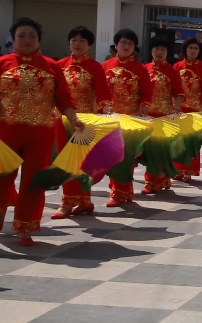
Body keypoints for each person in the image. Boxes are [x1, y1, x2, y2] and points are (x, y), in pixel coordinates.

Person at [0, 17, 82, 246]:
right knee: (2, 178)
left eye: (32, 36)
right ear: (13, 40)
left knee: (34, 181)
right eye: (21, 36)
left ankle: (25, 225)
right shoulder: (0, 64)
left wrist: (73, 119)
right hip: (6, 131)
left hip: (41, 133)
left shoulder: (52, 67)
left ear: (39, 40)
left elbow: (63, 98)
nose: (27, 40)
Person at [52, 25, 113, 220]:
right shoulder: (59, 65)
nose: (77, 44)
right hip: (61, 120)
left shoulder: (95, 67)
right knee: (65, 160)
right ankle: (68, 202)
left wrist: (106, 107)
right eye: (74, 40)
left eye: (82, 41)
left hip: (85, 121)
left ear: (89, 45)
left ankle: (84, 200)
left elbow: (103, 92)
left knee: (83, 162)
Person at [102, 30, 153, 207]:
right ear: (116, 45)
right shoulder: (105, 66)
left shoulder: (140, 68)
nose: (126, 46)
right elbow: (99, 91)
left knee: (126, 156)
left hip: (131, 118)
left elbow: (147, 92)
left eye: (130, 44)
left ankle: (121, 191)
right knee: (111, 155)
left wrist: (144, 105)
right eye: (123, 42)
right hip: (110, 118)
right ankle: (117, 189)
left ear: (134, 48)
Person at [140, 40, 183, 195]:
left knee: (160, 150)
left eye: (163, 49)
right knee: (148, 151)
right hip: (147, 115)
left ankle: (155, 182)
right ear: (151, 51)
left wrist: (177, 106)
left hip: (164, 115)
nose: (159, 52)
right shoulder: (144, 69)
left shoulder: (172, 71)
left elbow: (179, 92)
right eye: (156, 48)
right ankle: (159, 179)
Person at [174, 37, 202, 181]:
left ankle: (189, 171)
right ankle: (177, 170)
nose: (193, 51)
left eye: (196, 49)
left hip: (195, 110)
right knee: (177, 141)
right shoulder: (177, 66)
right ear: (185, 49)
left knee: (192, 141)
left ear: (199, 52)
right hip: (178, 109)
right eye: (190, 48)